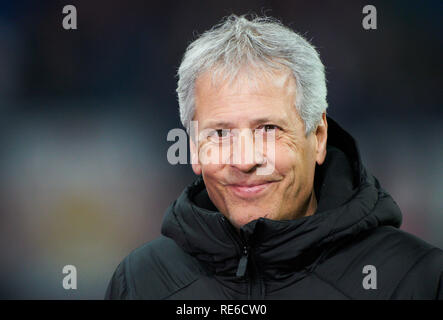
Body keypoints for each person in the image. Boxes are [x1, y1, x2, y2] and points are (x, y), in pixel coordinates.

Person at [105, 14, 443, 299]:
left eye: (267, 129)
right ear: (194, 148)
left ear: (319, 136)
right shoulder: (138, 283)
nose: (244, 160)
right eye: (220, 134)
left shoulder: (417, 280)